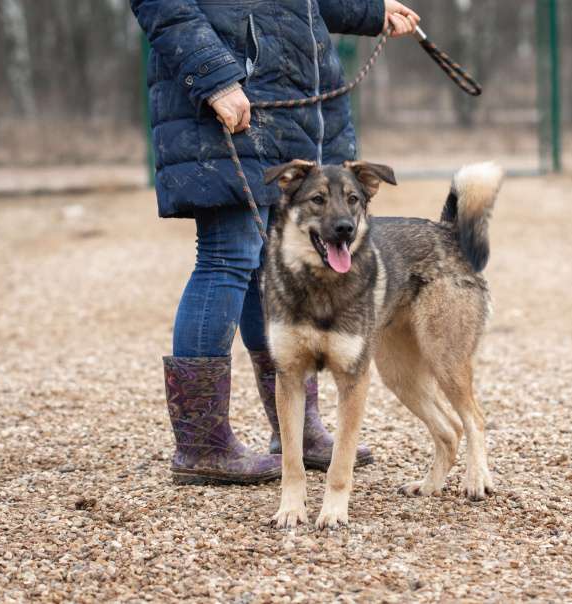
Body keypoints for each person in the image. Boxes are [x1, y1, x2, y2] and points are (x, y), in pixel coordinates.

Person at [130, 0, 420, 485]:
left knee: (266, 265)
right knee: (228, 255)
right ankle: (202, 445)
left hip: (292, 105)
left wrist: (371, 11)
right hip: (231, 99)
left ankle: (296, 430)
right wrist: (215, 78)